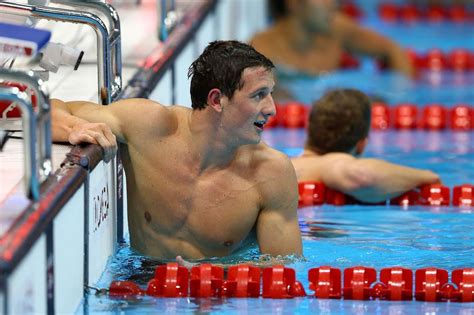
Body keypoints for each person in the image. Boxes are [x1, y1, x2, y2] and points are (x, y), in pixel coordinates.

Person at [51, 40, 303, 261]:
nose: (272, 109)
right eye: (259, 95)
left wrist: (209, 279)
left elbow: (283, 272)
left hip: (221, 297)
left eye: (269, 94)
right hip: (142, 282)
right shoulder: (149, 126)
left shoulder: (271, 173)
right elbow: (50, 107)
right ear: (217, 100)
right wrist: (74, 127)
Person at [291, 89, 440, 203]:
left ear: (308, 130)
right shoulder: (329, 163)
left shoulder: (286, 163)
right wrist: (426, 176)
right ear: (362, 145)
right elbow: (363, 176)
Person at [250, 0, 414, 80]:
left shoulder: (337, 29)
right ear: (294, 3)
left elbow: (392, 49)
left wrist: (400, 94)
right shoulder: (262, 51)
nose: (334, 4)